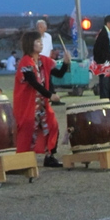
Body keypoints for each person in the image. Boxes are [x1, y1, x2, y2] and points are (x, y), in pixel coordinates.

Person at [13, 30, 70, 167]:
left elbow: (59, 74)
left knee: (52, 125)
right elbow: (34, 83)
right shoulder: (25, 62)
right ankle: (22, 160)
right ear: (30, 44)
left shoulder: (44, 61)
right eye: (38, 42)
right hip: (27, 105)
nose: (41, 44)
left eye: (40, 41)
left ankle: (50, 156)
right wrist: (51, 95)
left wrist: (66, 63)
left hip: (42, 104)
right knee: (27, 130)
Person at [93, 15, 110, 98]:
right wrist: (104, 61)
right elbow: (97, 50)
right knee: (105, 86)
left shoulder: (108, 34)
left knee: (108, 86)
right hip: (105, 65)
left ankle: (108, 103)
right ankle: (104, 105)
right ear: (108, 23)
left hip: (109, 64)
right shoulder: (103, 34)